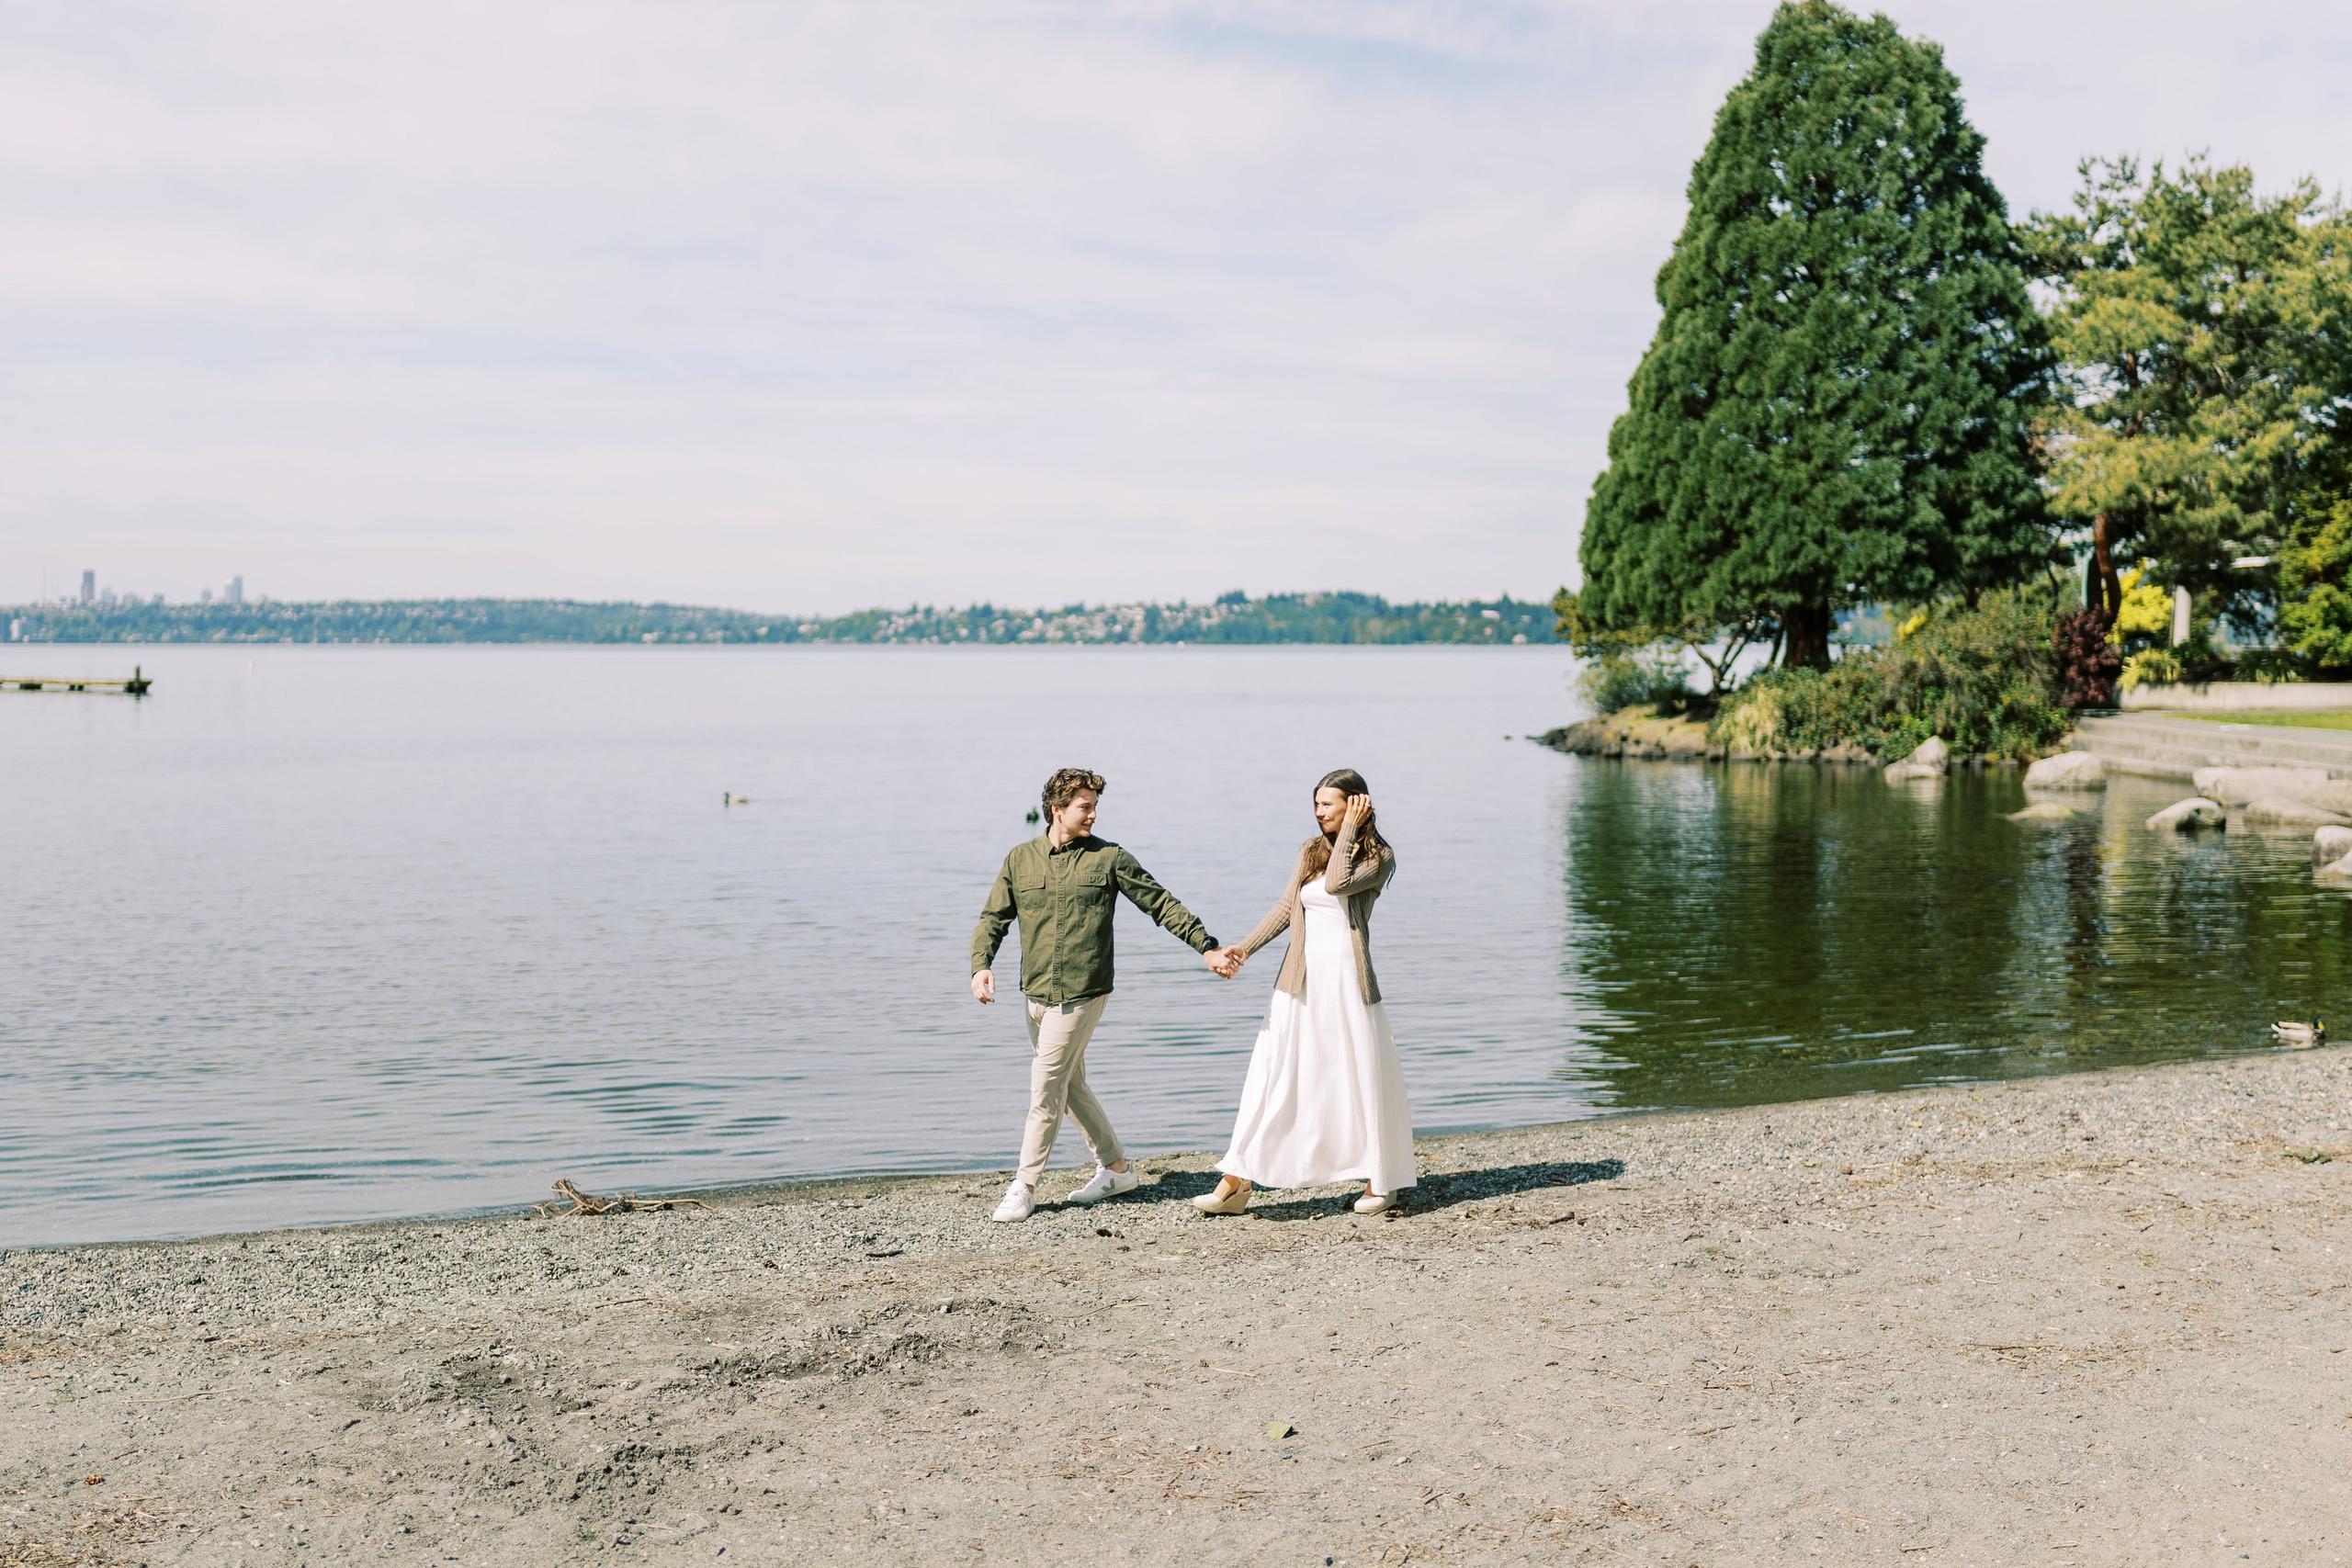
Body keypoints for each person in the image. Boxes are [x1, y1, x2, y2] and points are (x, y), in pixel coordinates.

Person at [971, 767, 1243, 1223]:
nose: (1093, 814)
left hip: (1083, 992)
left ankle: (1024, 1186)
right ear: (1057, 809)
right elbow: (993, 917)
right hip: (1034, 994)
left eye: (1095, 806)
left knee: (1046, 1087)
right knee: (1070, 1085)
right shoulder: (1020, 859)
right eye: (1085, 807)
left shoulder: (1109, 858)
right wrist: (981, 964)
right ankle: (1116, 1169)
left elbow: (1161, 903)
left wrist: (1207, 946)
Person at [1193, 769, 1415, 1216]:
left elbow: (1337, 884)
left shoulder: (1380, 856)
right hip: (1299, 979)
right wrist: (1246, 948)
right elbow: (1287, 905)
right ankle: (1235, 1180)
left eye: (1327, 804)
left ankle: (1381, 1178)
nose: (1318, 812)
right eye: (1316, 804)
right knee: (1273, 1074)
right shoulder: (1310, 850)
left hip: (1347, 981)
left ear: (1357, 804)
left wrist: (1350, 831)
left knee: (1360, 1076)